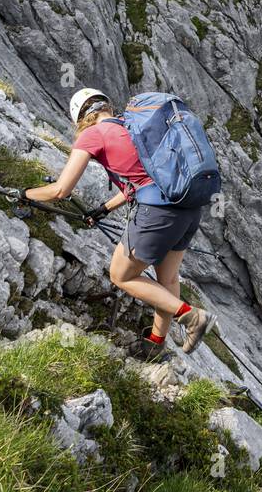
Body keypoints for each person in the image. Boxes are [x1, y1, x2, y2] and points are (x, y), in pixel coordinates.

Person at [23, 87, 216, 360]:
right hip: (187, 207)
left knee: (121, 275)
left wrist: (25, 194)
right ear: (106, 107)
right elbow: (136, 182)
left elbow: (60, 190)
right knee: (168, 279)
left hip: (158, 212)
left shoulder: (93, 134)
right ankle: (154, 345)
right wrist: (103, 209)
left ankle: (191, 317)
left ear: (81, 119)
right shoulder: (134, 126)